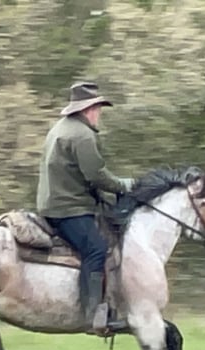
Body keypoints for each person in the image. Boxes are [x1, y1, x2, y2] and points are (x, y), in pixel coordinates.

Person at [36, 81, 133, 336]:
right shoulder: (82, 135)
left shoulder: (59, 129)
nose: (99, 113)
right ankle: (92, 316)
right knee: (97, 249)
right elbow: (96, 175)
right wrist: (125, 185)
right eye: (98, 108)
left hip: (54, 204)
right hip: (69, 208)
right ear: (88, 108)